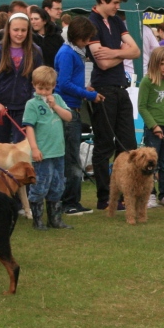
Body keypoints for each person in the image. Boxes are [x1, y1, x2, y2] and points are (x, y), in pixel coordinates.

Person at [86, 0, 141, 211]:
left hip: (121, 88)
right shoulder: (91, 23)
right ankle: (104, 196)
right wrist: (123, 53)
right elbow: (104, 63)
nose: (118, 7)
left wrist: (116, 52)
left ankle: (126, 193)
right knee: (104, 145)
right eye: (115, 2)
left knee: (128, 144)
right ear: (103, 0)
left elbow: (136, 51)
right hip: (103, 90)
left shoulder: (117, 21)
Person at [55, 15, 102, 216]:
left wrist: (84, 88)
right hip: (68, 109)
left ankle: (71, 200)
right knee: (71, 158)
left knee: (71, 156)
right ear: (78, 36)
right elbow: (63, 84)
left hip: (73, 106)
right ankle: (68, 202)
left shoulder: (75, 52)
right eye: (86, 38)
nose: (88, 42)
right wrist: (88, 94)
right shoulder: (67, 54)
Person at [22, 66, 74, 230]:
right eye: (40, 88)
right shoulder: (32, 104)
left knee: (57, 185)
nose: (44, 92)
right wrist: (34, 148)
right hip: (43, 153)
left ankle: (55, 219)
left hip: (58, 151)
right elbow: (29, 127)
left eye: (47, 88)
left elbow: (69, 117)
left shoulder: (57, 99)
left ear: (53, 86)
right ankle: (37, 220)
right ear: (34, 86)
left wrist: (55, 107)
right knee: (40, 185)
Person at [0, 12, 43, 143]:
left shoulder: (35, 51)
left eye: (23, 30)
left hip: (24, 109)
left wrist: (31, 104)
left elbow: (38, 83)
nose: (20, 34)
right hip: (0, 108)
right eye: (16, 30)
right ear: (8, 30)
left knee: (22, 153)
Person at [139, 46, 164, 208]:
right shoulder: (147, 81)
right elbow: (142, 106)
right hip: (154, 129)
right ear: (155, 64)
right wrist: (153, 125)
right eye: (162, 64)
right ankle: (150, 194)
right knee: (150, 164)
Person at [29, 4, 64, 69]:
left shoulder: (56, 37)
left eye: (36, 19)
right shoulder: (29, 38)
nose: (33, 22)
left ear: (44, 21)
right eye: (31, 19)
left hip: (53, 72)